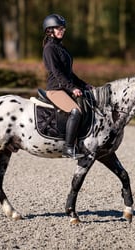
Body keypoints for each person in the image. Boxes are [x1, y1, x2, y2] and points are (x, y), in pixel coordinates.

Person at [42, 13, 92, 159]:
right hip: (55, 89)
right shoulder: (49, 48)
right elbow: (57, 73)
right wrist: (72, 88)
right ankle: (68, 148)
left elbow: (69, 73)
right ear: (49, 30)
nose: (62, 30)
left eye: (63, 28)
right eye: (58, 28)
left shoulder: (61, 48)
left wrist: (84, 85)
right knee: (76, 111)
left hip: (64, 87)